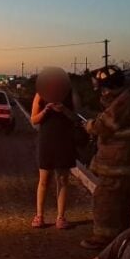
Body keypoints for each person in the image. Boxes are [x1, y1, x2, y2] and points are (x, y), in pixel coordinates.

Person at [80, 66, 130, 250]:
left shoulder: (124, 101)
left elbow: (104, 126)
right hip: (125, 161)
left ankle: (103, 237)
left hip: (117, 162)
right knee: (123, 201)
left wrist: (89, 126)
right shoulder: (128, 98)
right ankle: (122, 236)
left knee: (106, 199)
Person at [30, 67, 78, 229]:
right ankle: (39, 216)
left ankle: (61, 217)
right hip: (46, 140)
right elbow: (34, 120)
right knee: (44, 180)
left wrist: (64, 109)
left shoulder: (71, 94)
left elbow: (76, 118)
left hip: (64, 141)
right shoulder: (40, 95)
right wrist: (46, 110)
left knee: (63, 180)